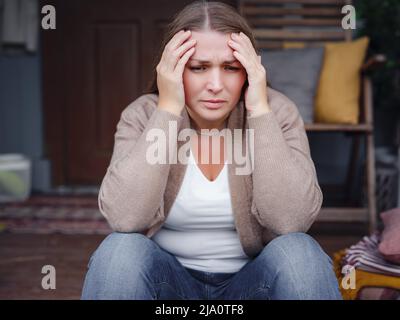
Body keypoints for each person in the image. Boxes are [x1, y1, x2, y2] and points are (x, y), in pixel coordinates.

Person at [81, 0, 342, 300]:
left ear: (249, 71)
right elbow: (125, 218)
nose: (216, 84)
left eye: (231, 68)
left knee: (301, 254)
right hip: (168, 290)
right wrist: (167, 108)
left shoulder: (278, 112)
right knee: (119, 252)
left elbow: (290, 221)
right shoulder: (142, 115)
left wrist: (259, 109)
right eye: (199, 68)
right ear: (173, 70)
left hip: (250, 289)